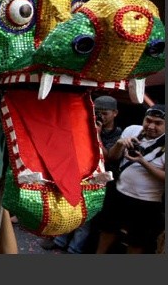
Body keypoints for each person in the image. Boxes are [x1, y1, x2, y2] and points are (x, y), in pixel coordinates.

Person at [42, 95, 122, 253]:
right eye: (97, 112)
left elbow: (107, 157)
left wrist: (97, 134)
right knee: (69, 207)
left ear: (115, 113)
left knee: (86, 215)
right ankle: (59, 240)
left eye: (104, 113)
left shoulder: (118, 133)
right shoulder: (85, 124)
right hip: (80, 174)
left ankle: (74, 249)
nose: (100, 117)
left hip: (100, 181)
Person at [95, 104, 166, 254]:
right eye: (148, 120)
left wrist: (142, 162)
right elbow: (113, 157)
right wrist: (120, 144)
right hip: (120, 192)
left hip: (147, 201)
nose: (151, 126)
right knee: (107, 230)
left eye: (158, 123)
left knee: (137, 241)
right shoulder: (132, 130)